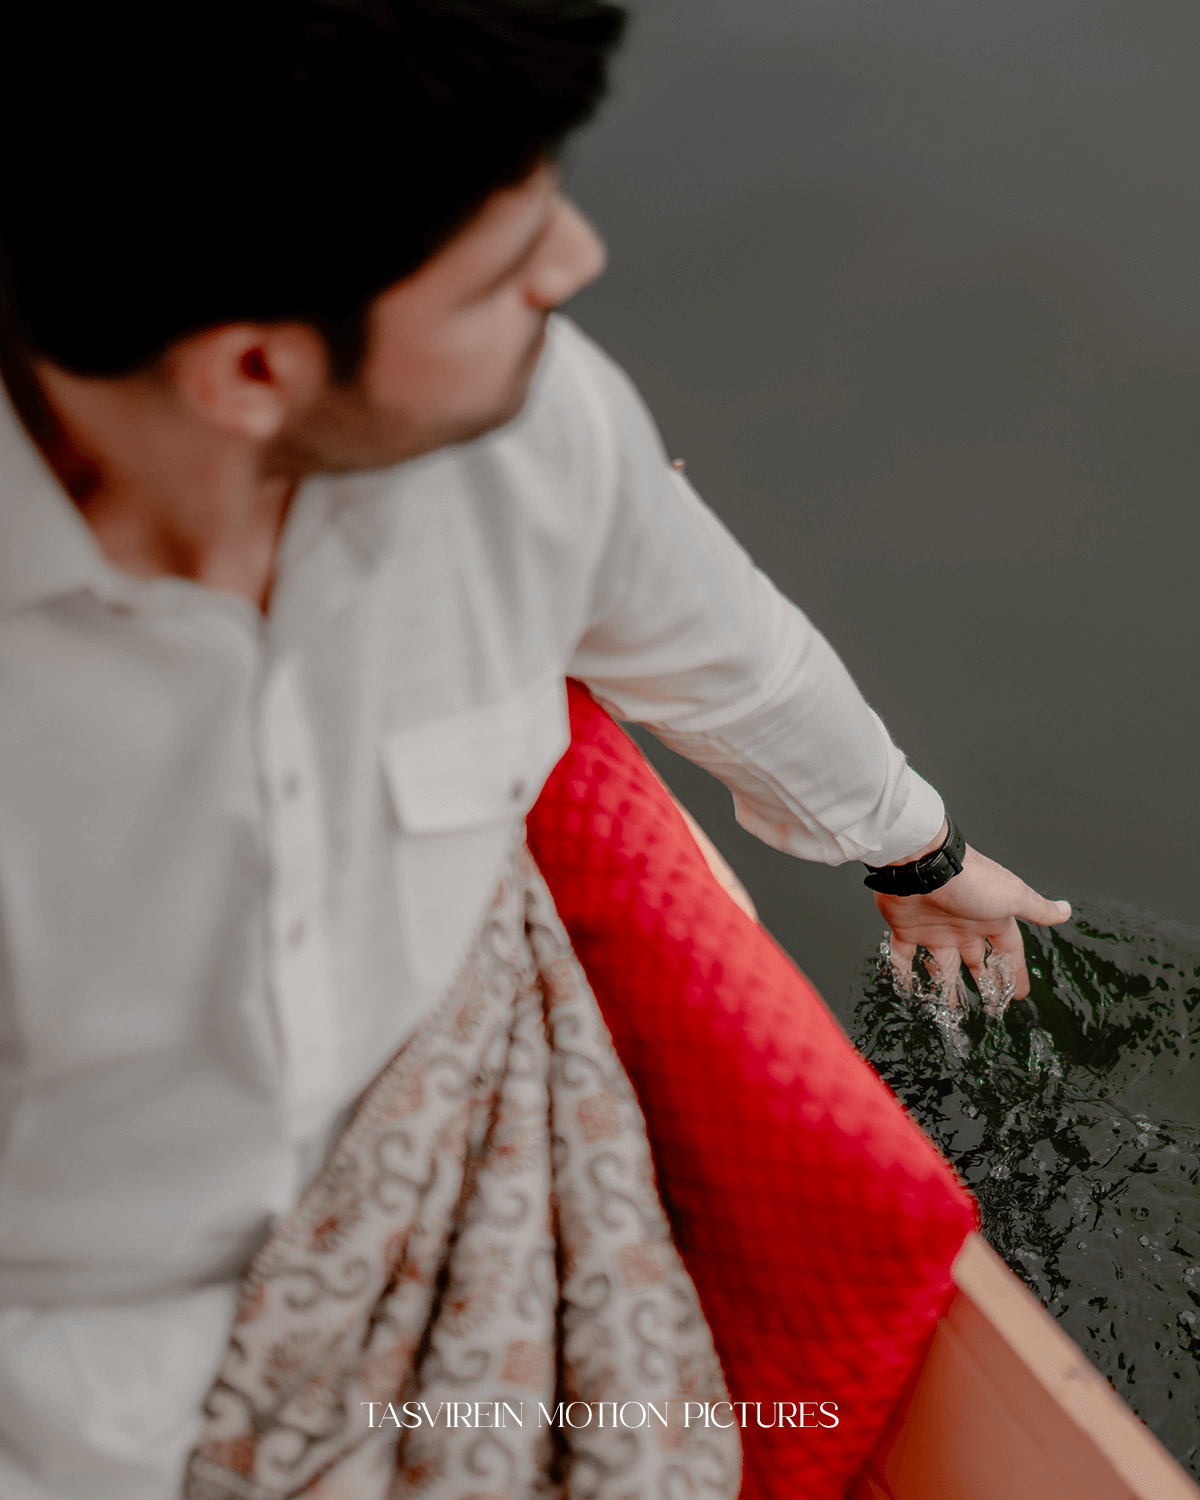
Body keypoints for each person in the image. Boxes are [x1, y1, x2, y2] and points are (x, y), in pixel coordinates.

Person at [0, 3, 1070, 1496]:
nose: (578, 264)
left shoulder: (533, 429)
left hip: (470, 1145)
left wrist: (917, 854)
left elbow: (733, 658)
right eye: (505, 274)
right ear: (250, 372)